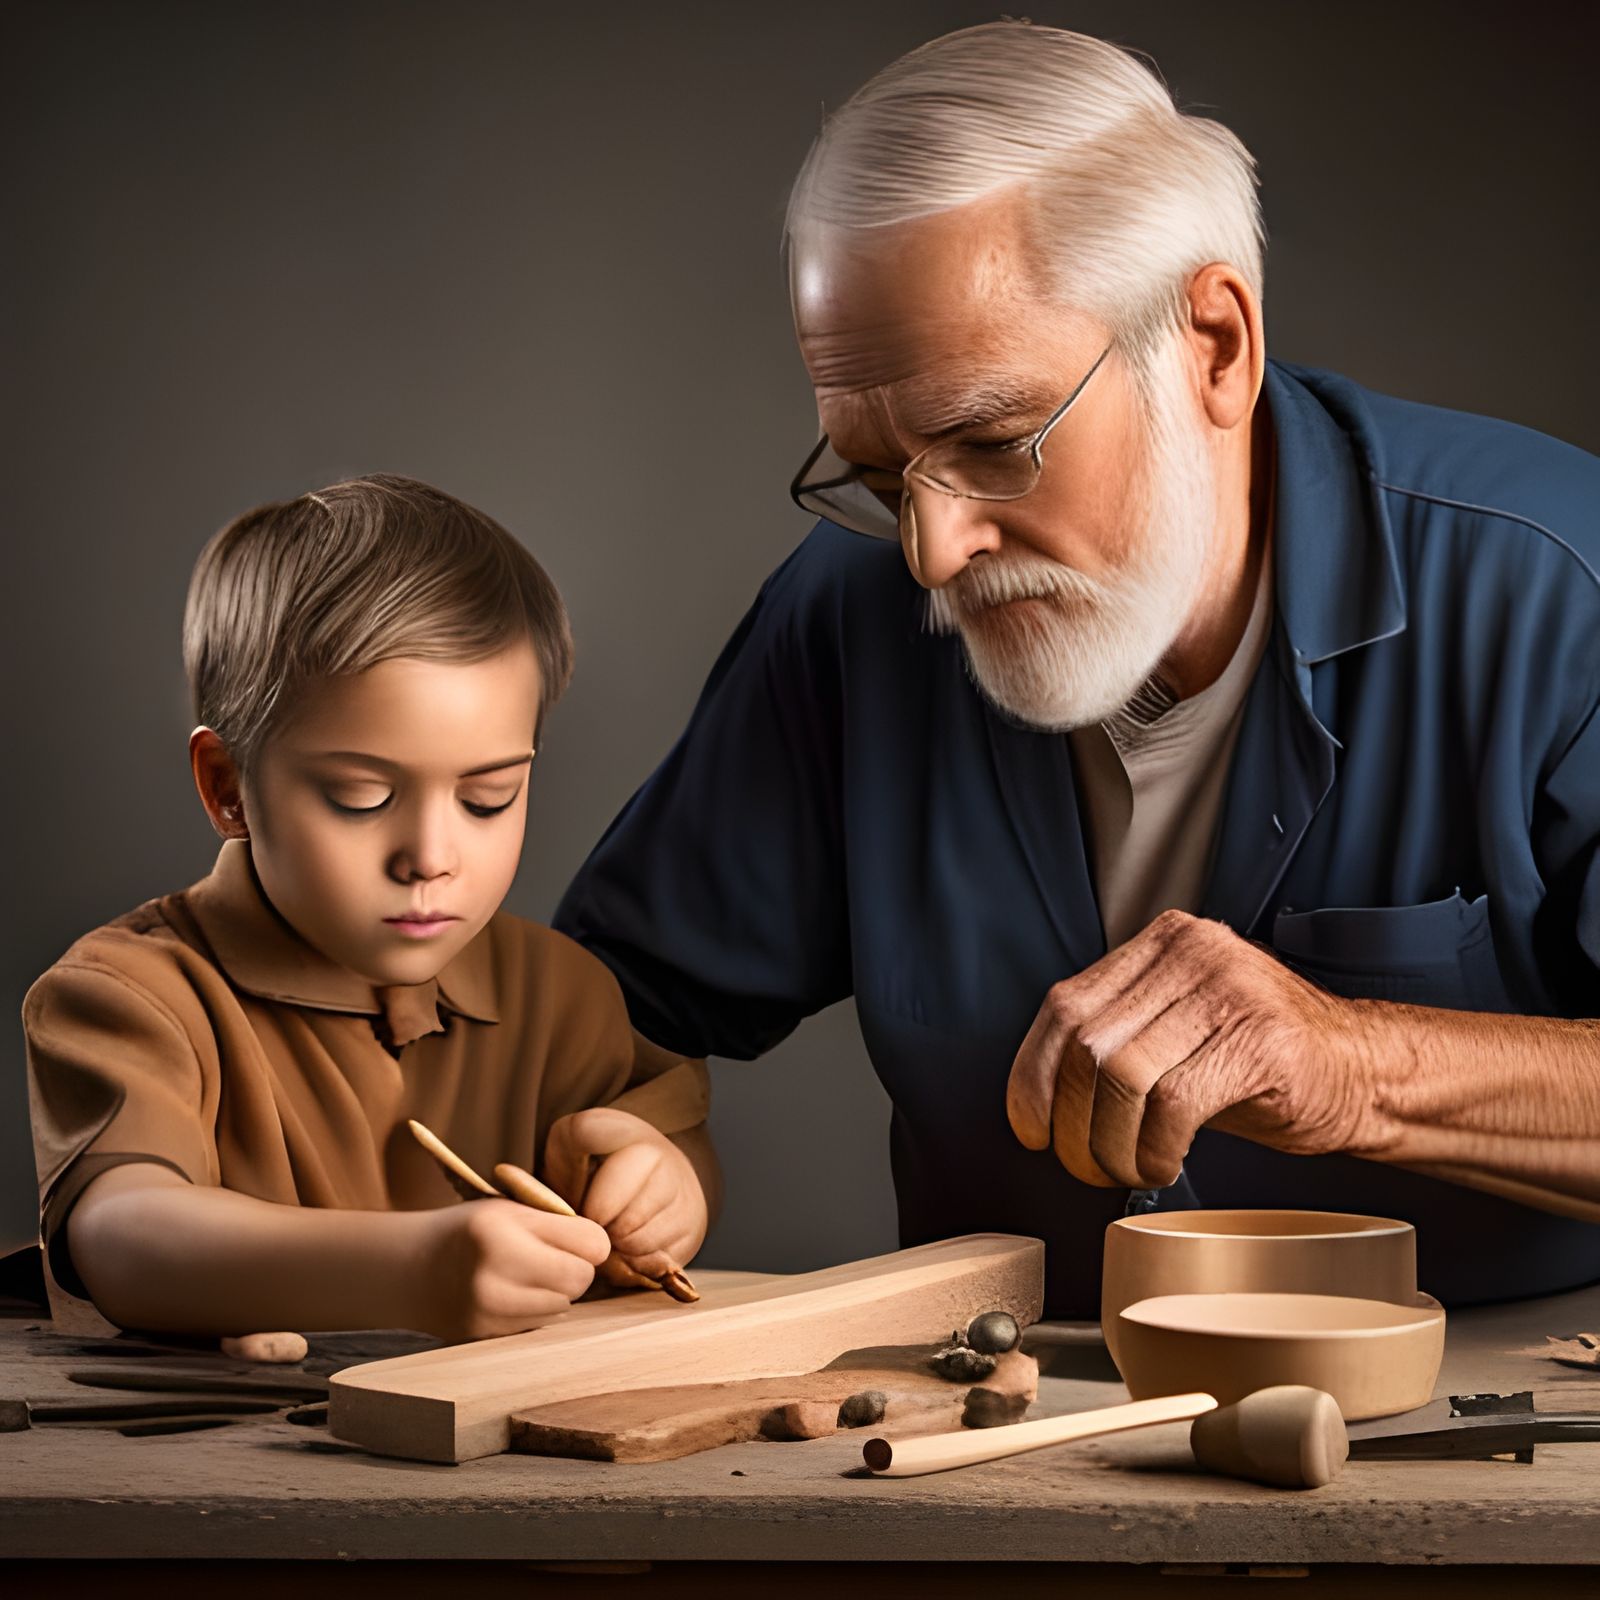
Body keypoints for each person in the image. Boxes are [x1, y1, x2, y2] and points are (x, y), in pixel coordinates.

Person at [556, 21, 1600, 1318]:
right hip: (1006, 1442)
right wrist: (626, 1144)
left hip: (1500, 1441)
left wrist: (1359, 1061)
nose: (934, 556)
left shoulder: (1557, 588)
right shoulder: (851, 609)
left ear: (1213, 343)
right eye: (881, 479)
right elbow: (594, 1019)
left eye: (996, 443)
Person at [24, 474, 718, 1341]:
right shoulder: (129, 995)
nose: (430, 857)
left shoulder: (560, 991)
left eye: (489, 797)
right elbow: (121, 1239)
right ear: (228, 786)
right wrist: (413, 1271)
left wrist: (666, 1188)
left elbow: (665, 1138)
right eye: (358, 797)